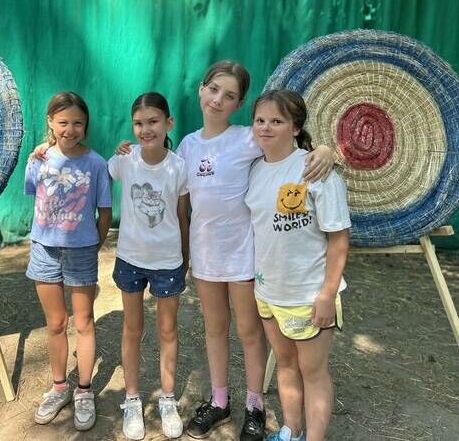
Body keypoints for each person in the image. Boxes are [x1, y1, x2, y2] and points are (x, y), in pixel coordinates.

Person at [117, 61, 333, 440]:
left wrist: (327, 150)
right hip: (206, 256)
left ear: (239, 104)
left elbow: (290, 145)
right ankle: (220, 402)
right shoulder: (187, 145)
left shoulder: (248, 137)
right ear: (201, 89)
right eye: (214, 89)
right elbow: (154, 164)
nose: (218, 100)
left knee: (249, 332)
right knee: (215, 329)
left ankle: (254, 406)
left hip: (243, 255)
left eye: (229, 95)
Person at [245, 89, 350, 441]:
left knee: (313, 372)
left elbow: (339, 239)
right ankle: (291, 430)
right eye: (260, 120)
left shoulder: (317, 171)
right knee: (286, 364)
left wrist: (327, 294)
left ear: (295, 127)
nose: (266, 127)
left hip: (308, 295)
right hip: (268, 292)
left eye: (277, 121)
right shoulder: (254, 168)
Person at [24, 91, 112, 432]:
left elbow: (105, 212)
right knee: (56, 323)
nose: (70, 129)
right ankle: (59, 388)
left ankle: (84, 391)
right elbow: (34, 195)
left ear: (86, 124)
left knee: (84, 322)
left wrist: (92, 245)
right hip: (44, 251)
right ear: (50, 122)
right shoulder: (39, 160)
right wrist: (37, 155)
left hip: (81, 253)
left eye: (78, 123)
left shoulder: (97, 164)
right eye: (63, 122)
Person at [109, 92, 190, 440]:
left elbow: (183, 216)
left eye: (153, 121)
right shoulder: (124, 161)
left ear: (168, 123)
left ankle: (167, 400)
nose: (146, 129)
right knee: (132, 329)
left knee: (167, 331)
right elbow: (100, 170)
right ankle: (132, 399)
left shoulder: (179, 166)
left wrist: (185, 259)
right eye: (139, 123)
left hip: (168, 262)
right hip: (130, 259)